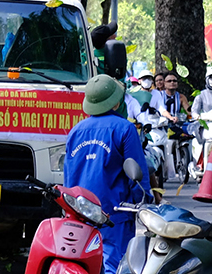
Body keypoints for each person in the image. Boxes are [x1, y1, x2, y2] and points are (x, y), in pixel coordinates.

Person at [65, 75, 148, 274]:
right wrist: (145, 202)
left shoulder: (76, 131)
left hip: (80, 213)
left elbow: (68, 176)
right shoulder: (125, 128)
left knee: (84, 264)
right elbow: (137, 173)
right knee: (116, 267)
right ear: (117, 102)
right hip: (114, 214)